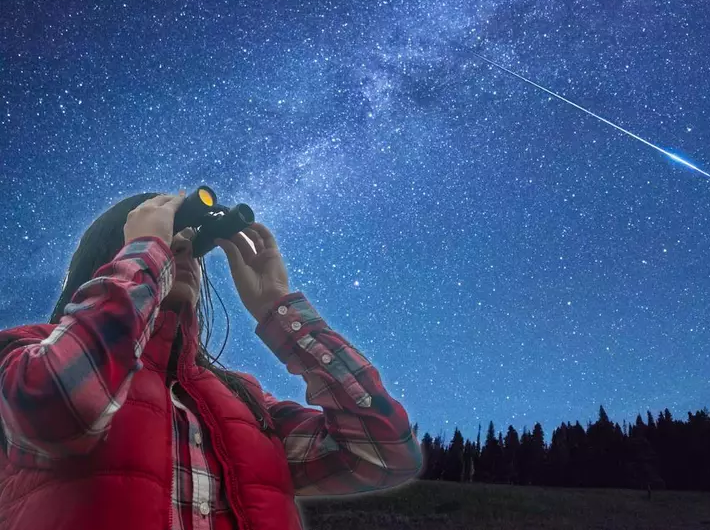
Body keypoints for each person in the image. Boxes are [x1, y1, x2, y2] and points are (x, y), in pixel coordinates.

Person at [0, 190, 424, 529]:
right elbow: (58, 405)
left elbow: (384, 453)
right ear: (114, 254)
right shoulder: (24, 354)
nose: (181, 248)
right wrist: (146, 252)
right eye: (169, 240)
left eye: (188, 243)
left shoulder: (244, 402)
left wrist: (278, 307)